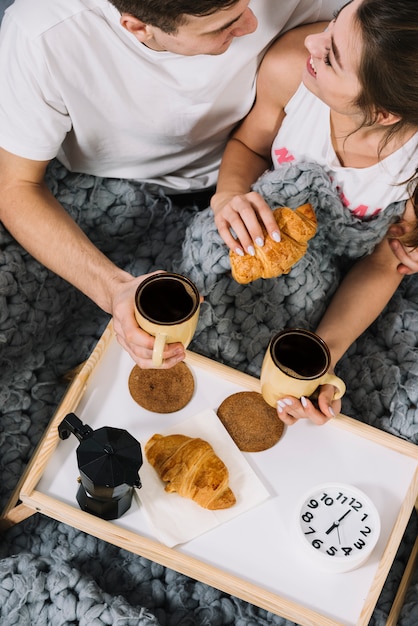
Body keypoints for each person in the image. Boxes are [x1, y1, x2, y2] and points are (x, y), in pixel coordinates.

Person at [0, 0, 346, 369]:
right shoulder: (41, 34)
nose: (251, 24)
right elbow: (16, 187)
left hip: (252, 168)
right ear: (136, 27)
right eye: (223, 26)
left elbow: (384, 45)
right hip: (104, 188)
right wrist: (114, 289)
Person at [209, 0, 418, 425]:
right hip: (271, 236)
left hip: (349, 269)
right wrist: (228, 195)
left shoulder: (410, 164)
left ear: (382, 113)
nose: (312, 40)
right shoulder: (291, 68)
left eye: (332, 55)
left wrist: (320, 354)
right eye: (335, 21)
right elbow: (249, 145)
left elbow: (384, 261)